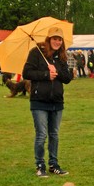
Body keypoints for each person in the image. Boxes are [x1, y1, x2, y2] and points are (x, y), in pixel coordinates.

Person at [22, 27, 73, 178]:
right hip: (39, 101)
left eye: (59, 39)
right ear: (49, 39)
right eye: (54, 38)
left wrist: (56, 69)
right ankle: (40, 165)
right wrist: (46, 74)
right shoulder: (36, 53)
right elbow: (26, 73)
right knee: (42, 134)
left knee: (54, 134)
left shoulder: (61, 57)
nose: (57, 42)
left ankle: (53, 164)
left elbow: (67, 78)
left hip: (57, 101)